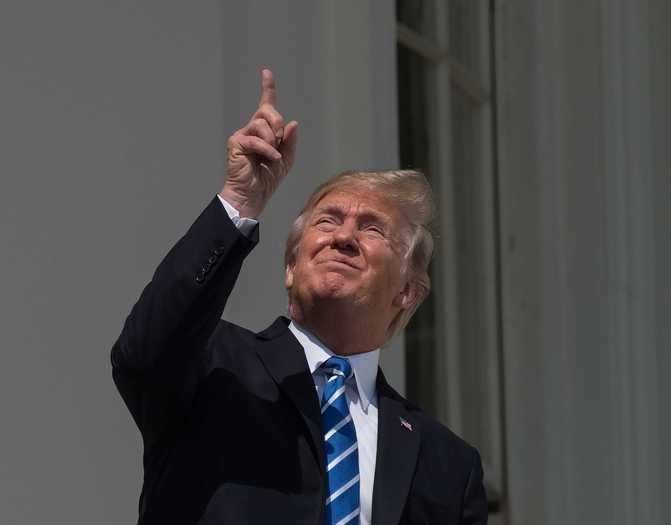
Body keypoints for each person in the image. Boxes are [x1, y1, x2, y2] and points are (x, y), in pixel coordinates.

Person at [111, 69, 488, 525]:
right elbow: (142, 350)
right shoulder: (214, 365)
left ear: (408, 290)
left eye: (371, 229)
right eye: (327, 221)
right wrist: (240, 200)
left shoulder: (447, 464)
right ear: (291, 268)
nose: (344, 236)